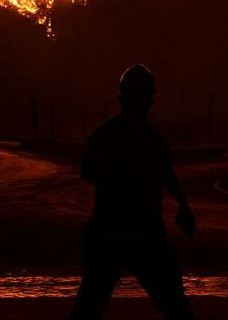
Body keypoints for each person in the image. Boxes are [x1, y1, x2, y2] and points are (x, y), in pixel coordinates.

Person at [69, 64, 197, 320]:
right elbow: (165, 173)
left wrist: (183, 205)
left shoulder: (109, 135)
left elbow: (89, 172)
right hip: (138, 232)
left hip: (113, 231)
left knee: (91, 304)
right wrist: (182, 206)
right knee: (174, 304)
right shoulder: (147, 136)